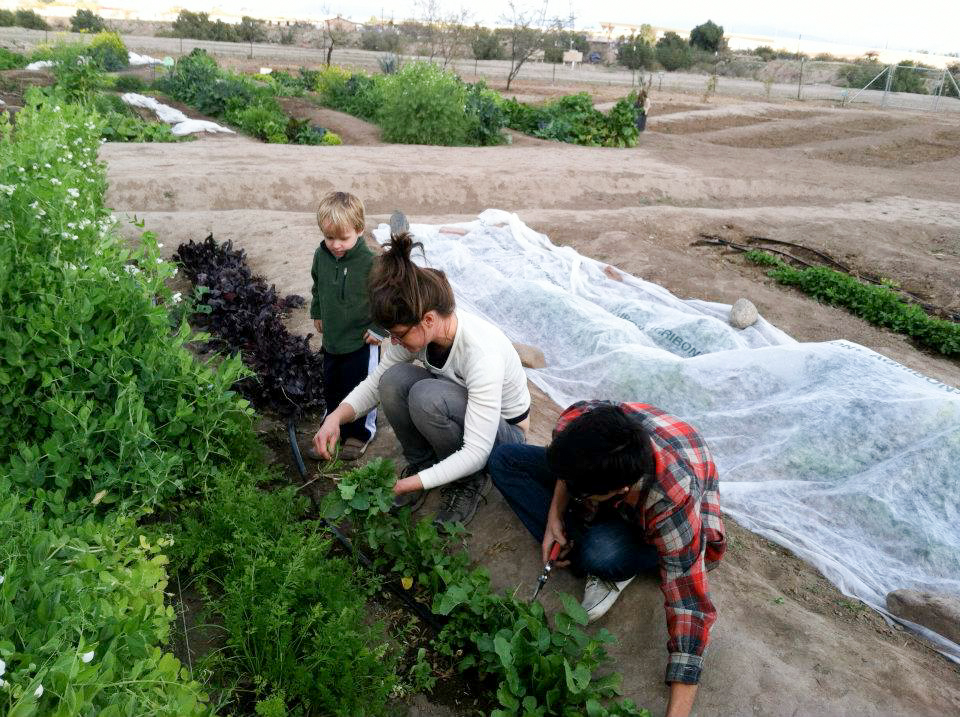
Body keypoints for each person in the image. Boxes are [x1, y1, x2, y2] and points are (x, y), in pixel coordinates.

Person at [488, 400, 725, 717]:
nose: (571, 489)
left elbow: (689, 606)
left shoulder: (671, 501)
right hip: (610, 478)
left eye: (581, 492)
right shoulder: (580, 421)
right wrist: (554, 517)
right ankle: (582, 526)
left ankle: (610, 557)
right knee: (506, 461)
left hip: (672, 520)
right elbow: (564, 468)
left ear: (620, 489)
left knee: (598, 553)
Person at [312, 223, 531, 526]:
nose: (395, 342)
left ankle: (469, 482)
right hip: (461, 409)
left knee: (427, 396)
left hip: (505, 437)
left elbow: (479, 450)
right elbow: (378, 382)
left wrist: (406, 486)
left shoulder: (481, 354)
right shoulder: (424, 332)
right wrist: (335, 418)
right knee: (393, 380)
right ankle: (423, 463)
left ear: (427, 320)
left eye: (398, 334)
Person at [306, 191, 383, 462]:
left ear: (359, 230)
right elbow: (318, 287)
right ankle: (333, 424)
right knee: (333, 385)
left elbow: (386, 298)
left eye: (343, 238)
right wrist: (318, 312)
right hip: (333, 340)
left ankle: (361, 432)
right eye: (330, 238)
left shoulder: (370, 261)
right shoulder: (321, 256)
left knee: (361, 385)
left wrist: (379, 328)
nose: (336, 245)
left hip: (362, 340)